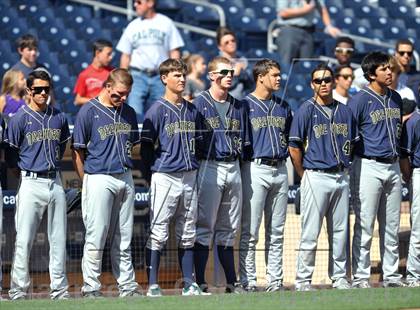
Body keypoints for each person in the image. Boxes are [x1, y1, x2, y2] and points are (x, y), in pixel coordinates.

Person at [72, 69, 140, 298]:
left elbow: (134, 145)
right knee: (96, 234)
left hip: (125, 176)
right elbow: (77, 153)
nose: (122, 98)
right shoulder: (88, 111)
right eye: (119, 94)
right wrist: (88, 182)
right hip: (98, 176)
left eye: (127, 94)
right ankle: (91, 287)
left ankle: (128, 286)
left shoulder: (128, 112)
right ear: (108, 86)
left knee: (124, 236)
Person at [288, 63, 357, 291]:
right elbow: (294, 147)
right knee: (310, 232)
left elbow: (353, 145)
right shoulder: (305, 110)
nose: (323, 84)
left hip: (340, 175)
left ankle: (339, 277)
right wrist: (302, 174)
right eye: (318, 81)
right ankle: (303, 280)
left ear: (334, 81)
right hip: (315, 175)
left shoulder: (345, 111)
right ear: (311, 84)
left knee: (340, 232)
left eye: (327, 80)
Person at [140, 59, 205, 297]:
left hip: (189, 175)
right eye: (176, 75)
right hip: (165, 176)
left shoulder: (191, 110)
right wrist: (151, 176)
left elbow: (200, 143)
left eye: (182, 74)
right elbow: (146, 149)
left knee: (188, 232)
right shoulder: (156, 110)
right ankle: (153, 284)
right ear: (164, 78)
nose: (181, 79)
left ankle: (190, 284)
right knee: (159, 231)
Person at [5, 70, 70, 300]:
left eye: (46, 89)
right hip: (31, 181)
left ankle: (60, 290)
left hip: (55, 180)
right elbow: (11, 155)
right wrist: (25, 171)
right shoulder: (19, 119)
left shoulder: (59, 117)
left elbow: (62, 147)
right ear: (29, 91)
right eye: (38, 89)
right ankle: (19, 290)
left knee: (58, 239)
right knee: (24, 239)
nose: (43, 93)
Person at [193, 56, 250, 294]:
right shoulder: (198, 103)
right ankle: (199, 283)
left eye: (231, 73)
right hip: (209, 165)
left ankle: (231, 283)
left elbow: (246, 143)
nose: (229, 76)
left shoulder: (239, 105)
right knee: (205, 226)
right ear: (212, 75)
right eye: (224, 72)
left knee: (229, 228)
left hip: (233, 166)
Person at [349, 51, 406, 288]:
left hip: (392, 165)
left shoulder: (396, 98)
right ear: (371, 74)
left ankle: (391, 276)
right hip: (368, 165)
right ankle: (361, 277)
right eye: (383, 69)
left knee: (391, 225)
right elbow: (349, 137)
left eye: (390, 68)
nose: (389, 71)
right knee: (364, 223)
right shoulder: (359, 100)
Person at [238, 59, 292, 292]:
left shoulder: (283, 105)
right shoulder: (243, 105)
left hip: (280, 167)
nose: (279, 78)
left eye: (280, 75)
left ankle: (275, 280)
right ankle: (248, 280)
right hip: (254, 168)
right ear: (260, 77)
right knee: (250, 231)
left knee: (277, 230)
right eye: (274, 75)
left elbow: (290, 138)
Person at [117, 0, 184, 119]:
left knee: (162, 113)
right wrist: (123, 78)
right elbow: (125, 55)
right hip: (137, 75)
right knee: (134, 112)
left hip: (160, 76)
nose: (135, 5)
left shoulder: (166, 23)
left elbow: (174, 51)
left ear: (150, 3)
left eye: (138, 2)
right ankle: (136, 138)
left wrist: (174, 74)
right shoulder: (133, 25)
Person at [276, 0, 341, 65]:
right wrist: (305, 10)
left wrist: (329, 26)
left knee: (306, 64)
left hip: (308, 32)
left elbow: (322, 9)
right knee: (285, 62)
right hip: (289, 30)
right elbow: (282, 13)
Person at [400, 107, 420, 287]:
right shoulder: (413, 121)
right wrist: (409, 177)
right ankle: (414, 275)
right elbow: (404, 155)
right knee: (419, 229)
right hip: (419, 172)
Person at [216, 27, 253, 100]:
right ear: (220, 47)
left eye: (233, 40)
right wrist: (235, 74)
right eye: (226, 42)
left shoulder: (243, 60)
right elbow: (219, 87)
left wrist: (244, 73)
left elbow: (251, 84)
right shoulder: (218, 63)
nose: (231, 43)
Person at [73, 39, 113, 106]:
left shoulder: (113, 73)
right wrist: (98, 101)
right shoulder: (84, 75)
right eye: (108, 54)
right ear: (97, 53)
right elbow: (78, 100)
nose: (111, 57)